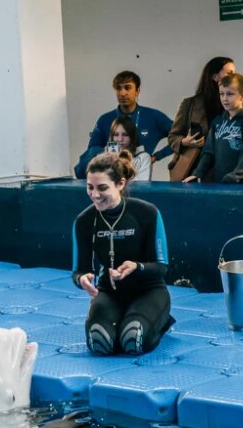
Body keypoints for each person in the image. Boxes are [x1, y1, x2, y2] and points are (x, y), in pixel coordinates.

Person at [72, 151, 173, 355]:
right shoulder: (84, 221)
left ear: (120, 183)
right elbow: (78, 270)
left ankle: (158, 322)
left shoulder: (147, 213)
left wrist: (137, 267)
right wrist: (83, 279)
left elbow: (161, 267)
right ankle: (119, 320)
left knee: (132, 339)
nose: (94, 195)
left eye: (102, 188)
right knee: (99, 341)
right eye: (89, 187)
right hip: (110, 293)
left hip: (149, 291)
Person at [74, 71, 173, 179]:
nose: (122, 93)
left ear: (137, 91)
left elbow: (180, 136)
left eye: (127, 88)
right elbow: (91, 154)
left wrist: (157, 156)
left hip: (139, 176)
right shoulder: (105, 120)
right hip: (110, 178)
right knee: (94, 151)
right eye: (118, 88)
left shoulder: (153, 116)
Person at [185, 73, 243, 184]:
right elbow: (208, 152)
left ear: (242, 96)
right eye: (221, 94)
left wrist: (235, 176)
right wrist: (197, 173)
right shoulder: (217, 122)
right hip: (221, 181)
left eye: (230, 94)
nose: (224, 98)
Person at [168, 57, 235, 179]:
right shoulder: (190, 104)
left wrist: (242, 106)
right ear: (215, 77)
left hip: (227, 172)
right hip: (193, 170)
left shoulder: (236, 105)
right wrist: (185, 141)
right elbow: (173, 137)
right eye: (230, 73)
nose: (234, 77)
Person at [109, 116, 151, 181]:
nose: (120, 139)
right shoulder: (106, 156)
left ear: (132, 136)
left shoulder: (144, 157)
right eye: (116, 135)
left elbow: (142, 186)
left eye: (125, 134)